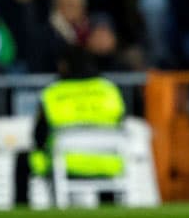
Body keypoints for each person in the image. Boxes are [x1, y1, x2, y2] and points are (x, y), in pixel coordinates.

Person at [14, 47, 126, 207]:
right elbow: (120, 125)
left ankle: (21, 210)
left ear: (64, 65)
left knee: (23, 159)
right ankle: (109, 208)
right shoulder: (108, 90)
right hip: (108, 161)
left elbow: (39, 136)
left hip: (64, 160)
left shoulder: (54, 92)